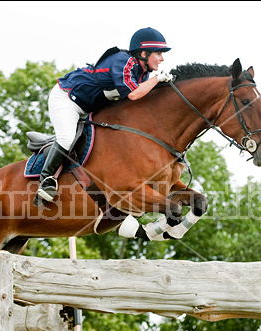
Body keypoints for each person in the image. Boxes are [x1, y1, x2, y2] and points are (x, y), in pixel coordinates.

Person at [34, 27, 174, 205]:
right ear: (144, 53)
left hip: (90, 107)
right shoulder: (124, 61)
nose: (162, 59)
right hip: (67, 99)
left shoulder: (143, 73)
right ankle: (46, 181)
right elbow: (133, 95)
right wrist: (157, 80)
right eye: (159, 53)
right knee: (67, 137)